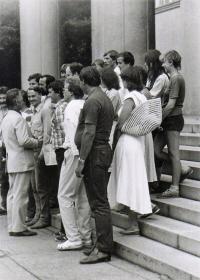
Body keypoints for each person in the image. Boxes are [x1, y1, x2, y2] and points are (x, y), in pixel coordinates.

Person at [75, 66, 114, 264]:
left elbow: (89, 133)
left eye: (79, 81)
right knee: (98, 201)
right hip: (100, 151)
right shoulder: (103, 97)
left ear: (83, 81)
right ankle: (101, 244)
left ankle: (103, 249)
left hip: (95, 154)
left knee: (98, 202)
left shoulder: (92, 100)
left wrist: (81, 160)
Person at [108, 66, 152, 234]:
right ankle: (132, 219)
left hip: (127, 142)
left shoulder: (130, 97)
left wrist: (115, 137)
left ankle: (133, 223)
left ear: (127, 80)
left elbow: (121, 121)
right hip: (137, 141)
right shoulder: (142, 96)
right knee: (133, 180)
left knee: (130, 181)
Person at [1, 88, 41, 236]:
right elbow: (24, 140)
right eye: (21, 98)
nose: (23, 100)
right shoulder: (17, 118)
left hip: (12, 159)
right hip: (21, 160)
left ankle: (13, 225)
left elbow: (5, 142)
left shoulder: (6, 118)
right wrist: (37, 142)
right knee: (20, 195)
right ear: (16, 102)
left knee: (12, 194)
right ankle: (19, 227)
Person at [57, 83, 92, 251]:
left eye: (65, 88)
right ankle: (85, 237)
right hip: (86, 153)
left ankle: (73, 237)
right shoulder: (85, 104)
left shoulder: (70, 106)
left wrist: (77, 156)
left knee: (64, 196)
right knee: (83, 197)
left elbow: (72, 133)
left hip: (74, 153)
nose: (62, 91)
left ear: (71, 92)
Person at [155, 50, 192, 198]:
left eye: (164, 61)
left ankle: (174, 187)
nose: (163, 64)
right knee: (156, 150)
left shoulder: (176, 78)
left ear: (171, 62)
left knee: (173, 152)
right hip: (168, 119)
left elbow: (171, 105)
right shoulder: (173, 78)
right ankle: (181, 169)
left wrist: (159, 119)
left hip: (173, 119)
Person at [49, 80, 68, 241]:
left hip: (63, 150)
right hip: (61, 151)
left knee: (64, 191)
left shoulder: (61, 108)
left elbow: (64, 129)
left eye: (51, 92)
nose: (49, 95)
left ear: (58, 92)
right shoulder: (59, 107)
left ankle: (65, 229)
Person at [0, 86, 9, 215]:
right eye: (0, 98)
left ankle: (5, 204)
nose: (2, 100)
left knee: (5, 177)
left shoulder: (11, 111)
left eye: (3, 98)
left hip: (8, 146)